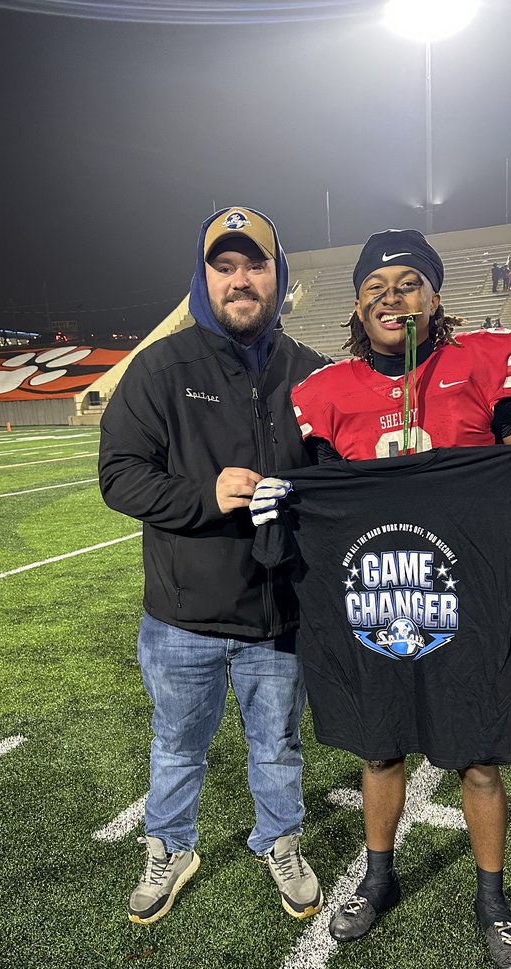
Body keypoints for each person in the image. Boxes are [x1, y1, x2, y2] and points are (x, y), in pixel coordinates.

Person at [250, 229, 511, 969]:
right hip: (371, 598)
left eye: (409, 283)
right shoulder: (325, 391)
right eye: (376, 285)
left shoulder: (480, 367)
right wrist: (283, 500)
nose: (391, 296)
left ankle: (492, 897)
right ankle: (378, 875)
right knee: (380, 745)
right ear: (357, 302)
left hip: (462, 599)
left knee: (479, 761)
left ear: (436, 297)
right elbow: (310, 487)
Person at [99, 206, 329, 925]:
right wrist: (207, 495)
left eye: (254, 264)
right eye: (223, 266)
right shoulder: (160, 368)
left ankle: (279, 840)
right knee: (175, 746)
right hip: (183, 616)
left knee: (279, 747)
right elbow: (119, 476)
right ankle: (171, 845)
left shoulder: (314, 374)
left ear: (277, 275)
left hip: (279, 611)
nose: (240, 280)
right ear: (202, 278)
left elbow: (343, 481)